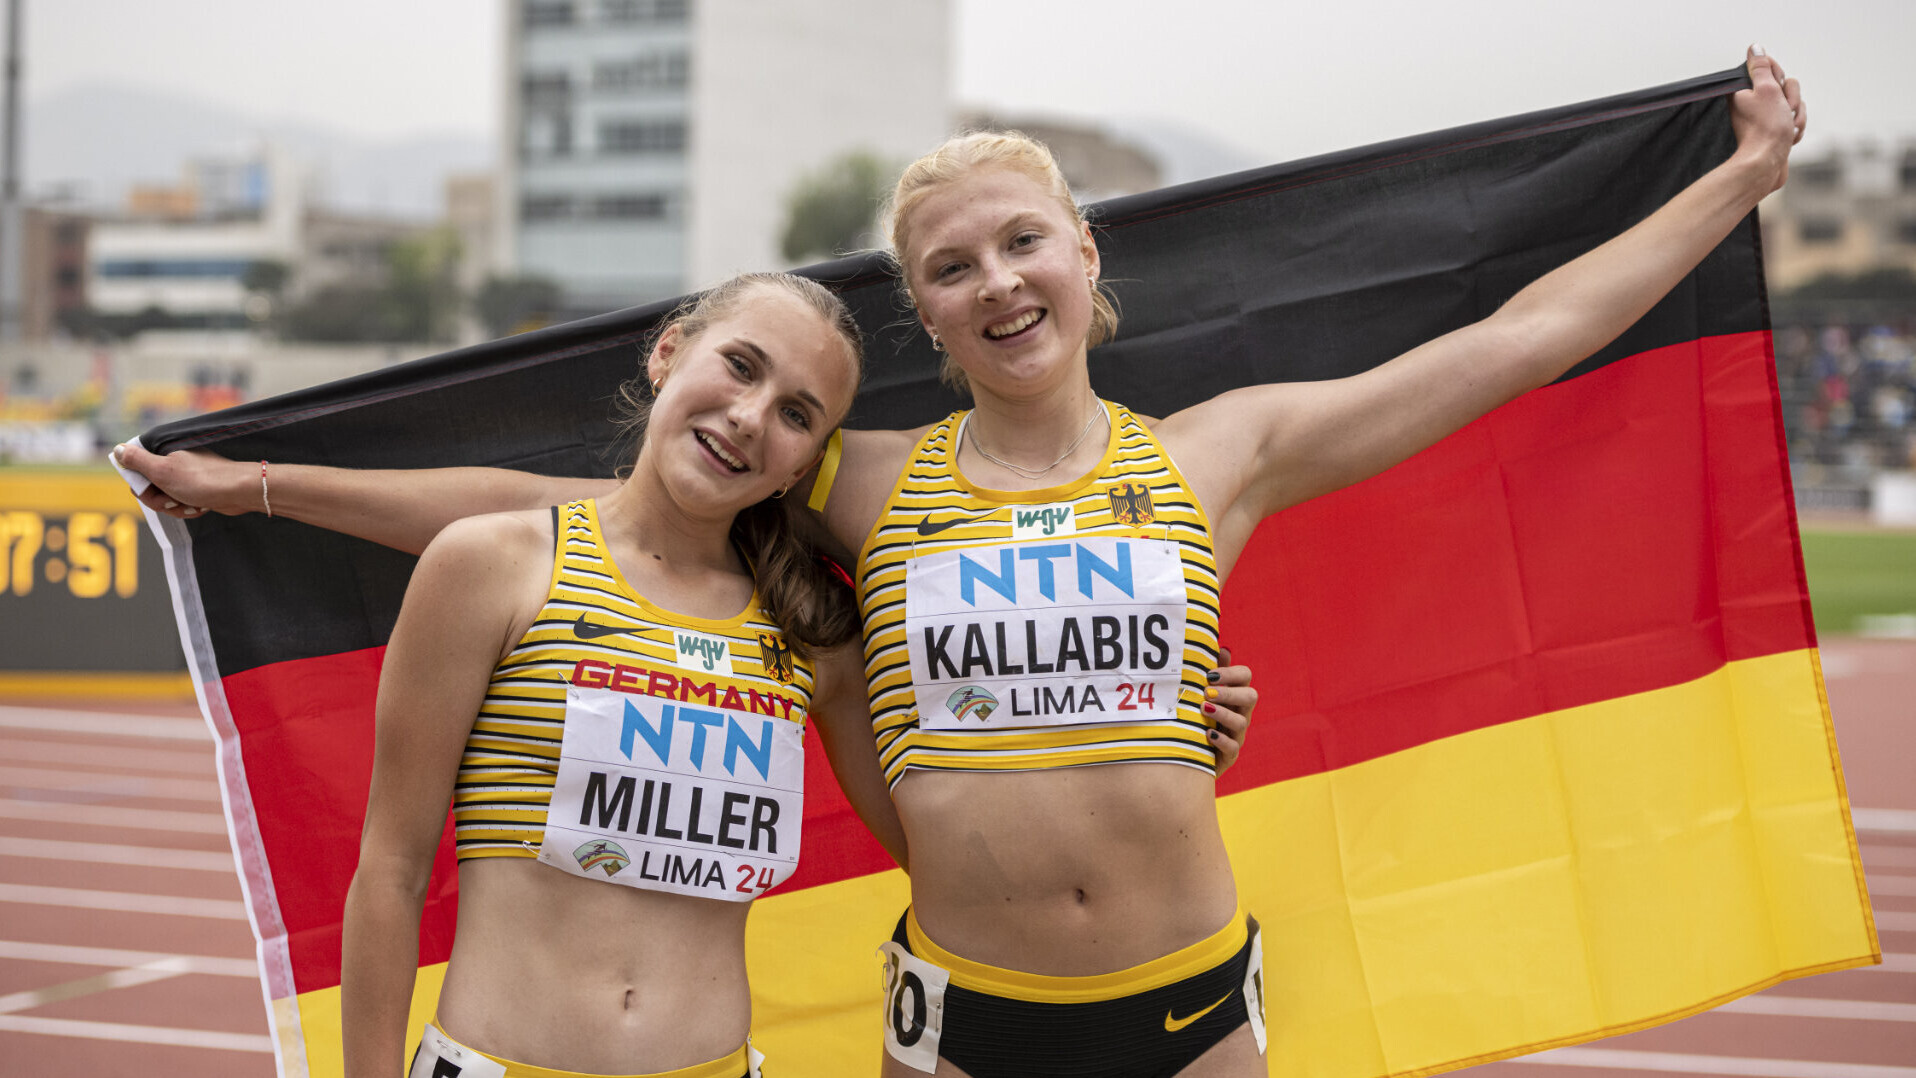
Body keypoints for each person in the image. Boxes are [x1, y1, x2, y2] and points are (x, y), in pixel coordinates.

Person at [121, 49, 1804, 1078]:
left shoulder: (1221, 450)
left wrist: (1736, 177)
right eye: (950, 265)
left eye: (1021, 242)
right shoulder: (855, 475)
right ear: (920, 312)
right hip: (963, 1010)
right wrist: (261, 481)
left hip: (1191, 991)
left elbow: (1515, 339)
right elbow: (548, 510)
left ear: (1083, 256)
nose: (995, 281)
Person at [340, 272, 887, 1078]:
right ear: (667, 352)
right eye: (741, 365)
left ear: (802, 465)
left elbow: (941, 853)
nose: (748, 417)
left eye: (796, 414)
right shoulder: (489, 566)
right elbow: (391, 870)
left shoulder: (812, 629)